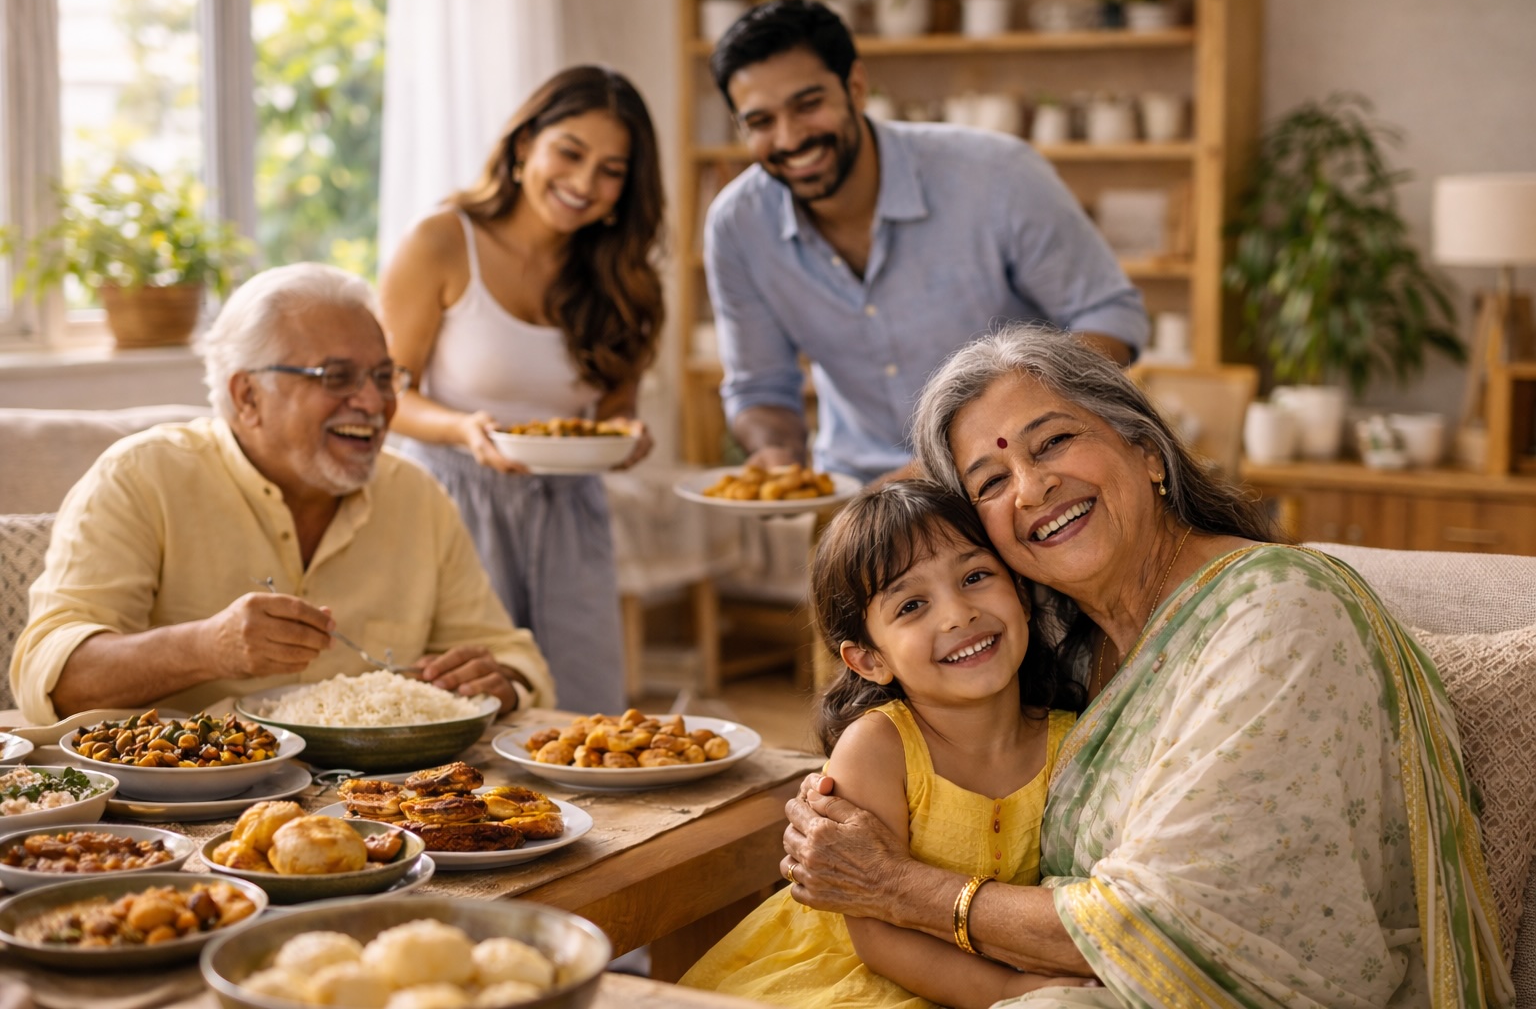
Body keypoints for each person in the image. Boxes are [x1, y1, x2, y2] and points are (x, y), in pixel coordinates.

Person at [779, 329, 1512, 1007]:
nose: (1031, 489)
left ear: (1148, 451)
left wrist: (898, 887)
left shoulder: (1276, 615)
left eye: (1053, 441)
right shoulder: (1062, 643)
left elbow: (1166, 926)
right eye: (992, 482)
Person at [10, 263, 555, 724]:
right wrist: (206, 648)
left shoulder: (416, 494)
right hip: (192, 807)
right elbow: (49, 676)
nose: (373, 402)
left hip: (389, 806)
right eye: (336, 377)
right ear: (248, 396)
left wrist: (499, 679)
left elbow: (512, 657)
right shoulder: (141, 476)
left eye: (384, 377)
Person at [705, 0, 1148, 484]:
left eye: (808, 105)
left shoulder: (997, 175)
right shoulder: (737, 226)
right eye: (761, 122)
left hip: (1014, 478)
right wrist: (775, 454)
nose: (789, 138)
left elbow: (1110, 319)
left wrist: (987, 436)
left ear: (856, 87)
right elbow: (761, 388)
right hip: (862, 498)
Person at [683, 480, 1088, 1008]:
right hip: (852, 976)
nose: (957, 614)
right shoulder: (879, 747)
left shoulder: (1073, 738)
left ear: (1022, 596)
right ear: (869, 660)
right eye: (912, 605)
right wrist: (1008, 991)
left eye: (975, 577)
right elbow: (877, 937)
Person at [380, 65, 665, 714]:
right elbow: (388, 390)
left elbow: (614, 407)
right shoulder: (442, 242)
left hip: (570, 509)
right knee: (464, 702)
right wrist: (463, 429)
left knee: (585, 708)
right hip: (454, 502)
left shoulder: (624, 276)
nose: (584, 183)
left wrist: (625, 432)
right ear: (523, 145)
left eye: (611, 169)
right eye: (570, 153)